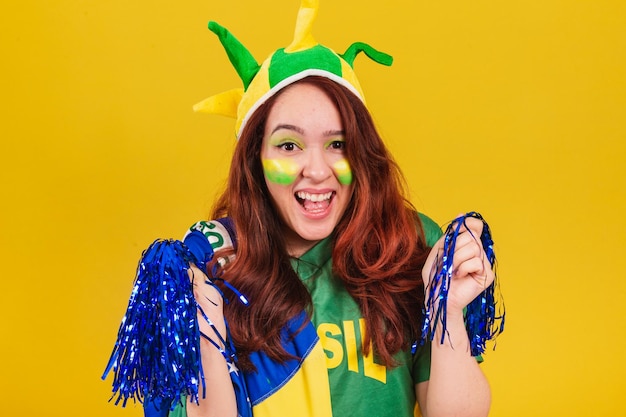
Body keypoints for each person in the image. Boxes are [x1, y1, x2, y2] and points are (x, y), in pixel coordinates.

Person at [104, 1, 497, 416]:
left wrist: (448, 310)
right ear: (254, 156)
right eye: (289, 145)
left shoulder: (407, 247)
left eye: (338, 144)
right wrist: (206, 330)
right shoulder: (214, 265)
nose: (316, 170)